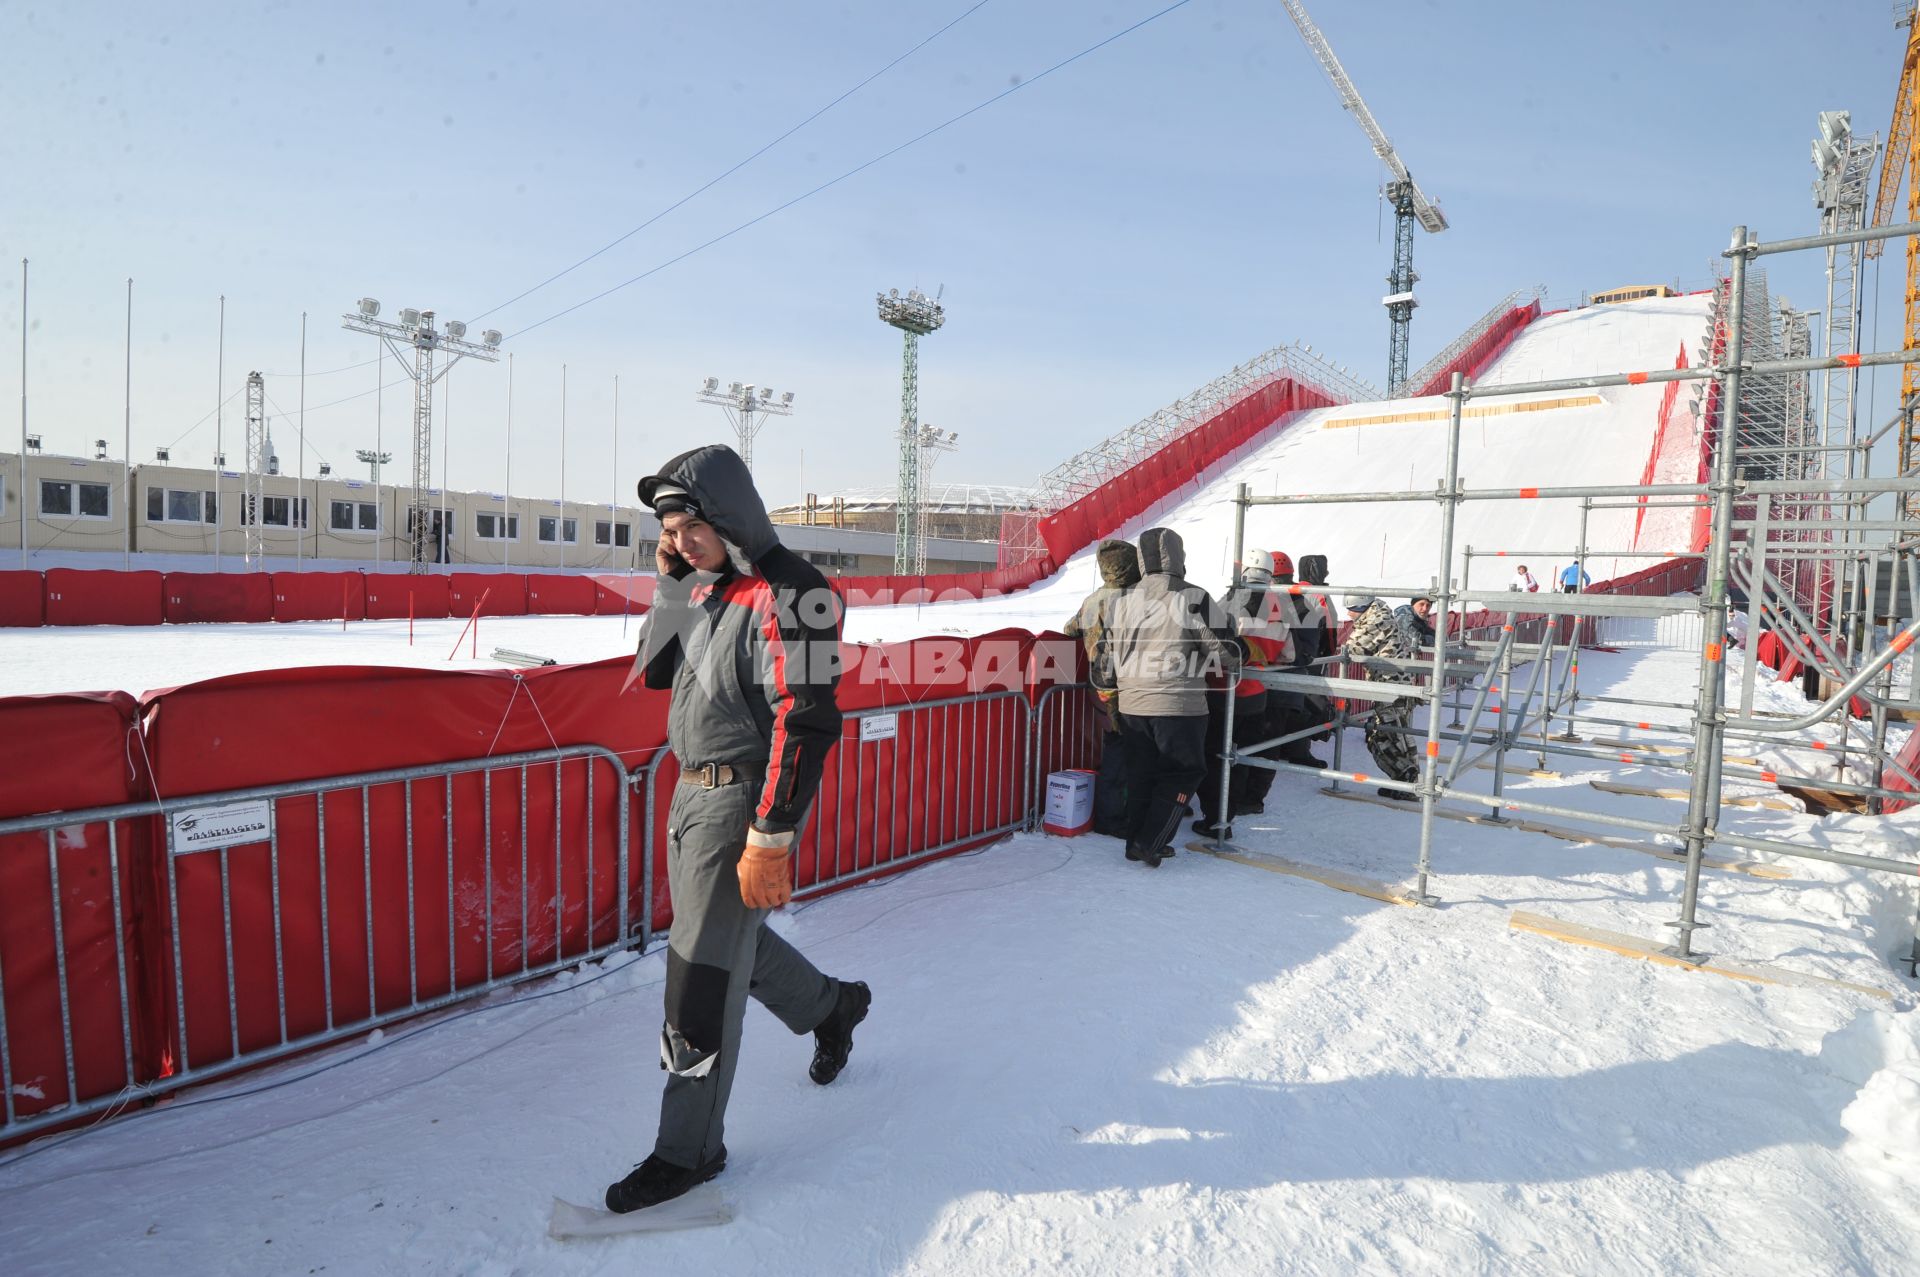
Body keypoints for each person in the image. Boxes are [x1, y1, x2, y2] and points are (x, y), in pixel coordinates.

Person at [609, 443, 870, 1214]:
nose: (681, 541)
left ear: (728, 516)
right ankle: (833, 1006)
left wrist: (772, 832)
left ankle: (687, 1150)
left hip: (739, 804)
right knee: (733, 947)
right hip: (688, 795)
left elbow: (809, 717)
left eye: (691, 527)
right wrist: (673, 582)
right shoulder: (708, 587)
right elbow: (654, 671)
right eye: (670, 530)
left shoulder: (797, 591)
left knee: (698, 974)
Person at [1107, 527, 1243, 866]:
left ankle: (1136, 841)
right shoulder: (1191, 596)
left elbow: (1107, 656)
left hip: (1131, 702)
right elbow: (1226, 650)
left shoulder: (1122, 600)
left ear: (1142, 558)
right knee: (1184, 773)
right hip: (1176, 701)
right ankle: (1151, 841)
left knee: (1142, 774)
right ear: (1178, 555)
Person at [1196, 550, 1294, 836]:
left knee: (1215, 756)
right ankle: (1228, 813)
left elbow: (1210, 642)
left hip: (1223, 690)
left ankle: (1215, 819)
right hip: (1258, 694)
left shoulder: (1230, 600)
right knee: (1239, 757)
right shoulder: (1282, 606)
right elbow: (1288, 654)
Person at [1062, 539, 1141, 836]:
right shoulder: (1139, 600)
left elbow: (1069, 629)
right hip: (1130, 688)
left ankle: (1114, 814)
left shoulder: (1093, 600)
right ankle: (1114, 818)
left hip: (1098, 687)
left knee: (1114, 749)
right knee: (1126, 755)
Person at [1342, 593, 1422, 800]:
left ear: (1361, 607)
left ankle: (1407, 781)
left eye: (1351, 609)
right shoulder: (1378, 615)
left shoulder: (1378, 619)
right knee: (1386, 736)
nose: (1349, 614)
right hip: (1388, 686)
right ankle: (1402, 781)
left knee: (1390, 737)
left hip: (1391, 687)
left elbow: (1354, 647)